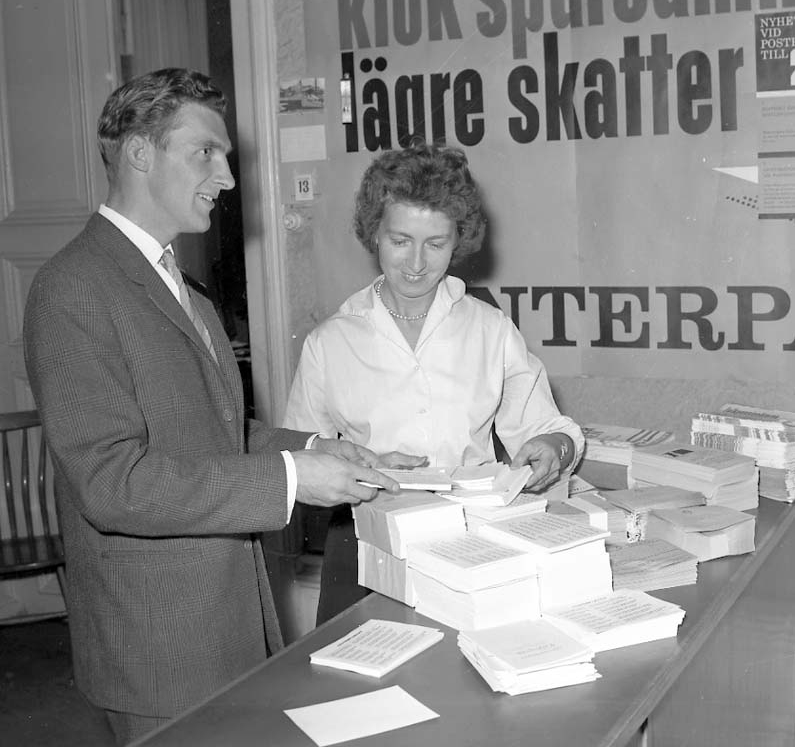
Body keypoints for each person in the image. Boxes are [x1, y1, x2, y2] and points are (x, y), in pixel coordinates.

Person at [23, 68, 400, 746]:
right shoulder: (73, 288)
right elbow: (112, 484)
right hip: (161, 646)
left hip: (228, 620)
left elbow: (211, 429)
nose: (226, 178)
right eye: (206, 152)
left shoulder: (184, 290)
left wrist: (314, 449)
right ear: (140, 153)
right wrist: (291, 479)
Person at [283, 141, 585, 624]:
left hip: (473, 543)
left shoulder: (490, 329)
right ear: (374, 233)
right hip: (366, 546)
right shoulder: (330, 342)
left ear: (458, 241)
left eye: (436, 244)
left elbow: (547, 429)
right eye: (400, 240)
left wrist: (555, 447)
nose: (416, 263)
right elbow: (299, 460)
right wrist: (358, 468)